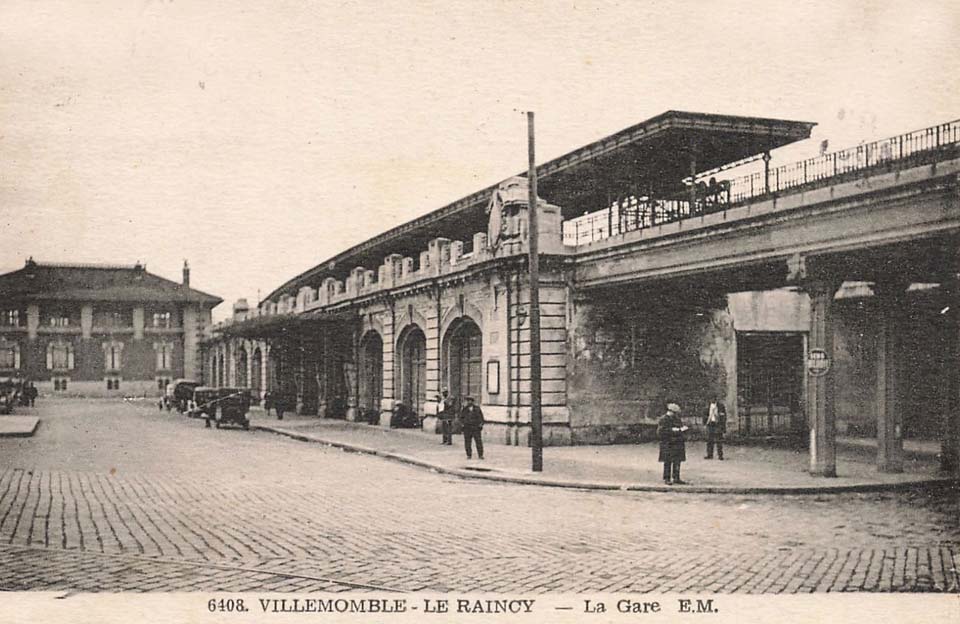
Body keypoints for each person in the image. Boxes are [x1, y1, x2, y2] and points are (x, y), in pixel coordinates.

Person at [657, 402, 687, 485]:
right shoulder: (663, 419)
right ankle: (667, 478)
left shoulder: (676, 419)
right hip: (668, 443)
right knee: (668, 461)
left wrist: (682, 429)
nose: (675, 415)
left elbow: (680, 427)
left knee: (677, 461)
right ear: (670, 411)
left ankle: (676, 477)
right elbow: (660, 432)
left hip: (677, 442)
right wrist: (672, 430)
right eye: (674, 413)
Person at [460, 396, 484, 460]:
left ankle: (480, 455)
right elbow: (461, 418)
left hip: (476, 428)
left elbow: (481, 417)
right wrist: (462, 425)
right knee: (467, 442)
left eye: (470, 400)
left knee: (478, 441)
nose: (469, 402)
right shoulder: (464, 409)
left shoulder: (477, 409)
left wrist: (481, 424)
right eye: (468, 401)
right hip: (467, 428)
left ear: (473, 401)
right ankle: (469, 454)